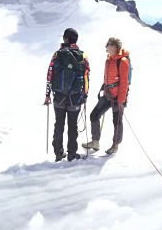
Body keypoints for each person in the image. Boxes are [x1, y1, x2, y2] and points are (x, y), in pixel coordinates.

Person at [44, 28, 90, 162]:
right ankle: (71, 153)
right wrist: (85, 95)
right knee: (73, 126)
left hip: (59, 95)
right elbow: (86, 77)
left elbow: (50, 74)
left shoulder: (57, 54)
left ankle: (58, 152)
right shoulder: (82, 55)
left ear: (65, 39)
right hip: (75, 97)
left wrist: (47, 95)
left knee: (58, 124)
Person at [82, 37, 130, 155]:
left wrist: (121, 100)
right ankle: (95, 141)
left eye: (107, 45)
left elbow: (124, 82)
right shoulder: (109, 60)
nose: (106, 47)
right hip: (108, 95)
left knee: (117, 121)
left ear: (113, 46)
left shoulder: (122, 61)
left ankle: (115, 145)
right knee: (94, 115)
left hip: (117, 97)